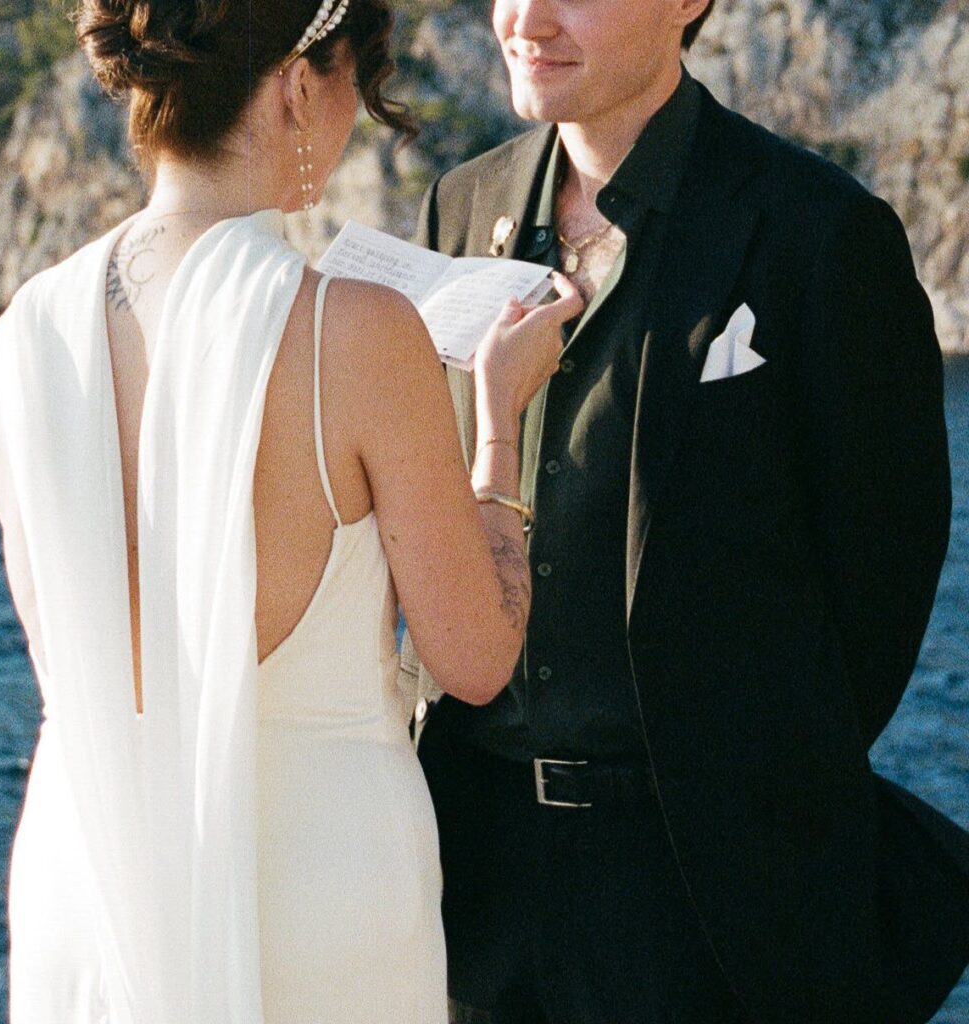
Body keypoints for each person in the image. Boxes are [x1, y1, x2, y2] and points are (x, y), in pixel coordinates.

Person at [0, 0, 583, 1020]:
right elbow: (474, 658)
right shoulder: (356, 330)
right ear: (300, 85)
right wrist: (495, 426)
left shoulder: (22, 332)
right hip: (316, 888)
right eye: (360, 84)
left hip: (88, 881)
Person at [404, 0, 969, 1021]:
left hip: (710, 903)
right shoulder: (461, 204)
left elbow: (878, 595)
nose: (525, 17)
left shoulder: (821, 234)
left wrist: (750, 791)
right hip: (471, 880)